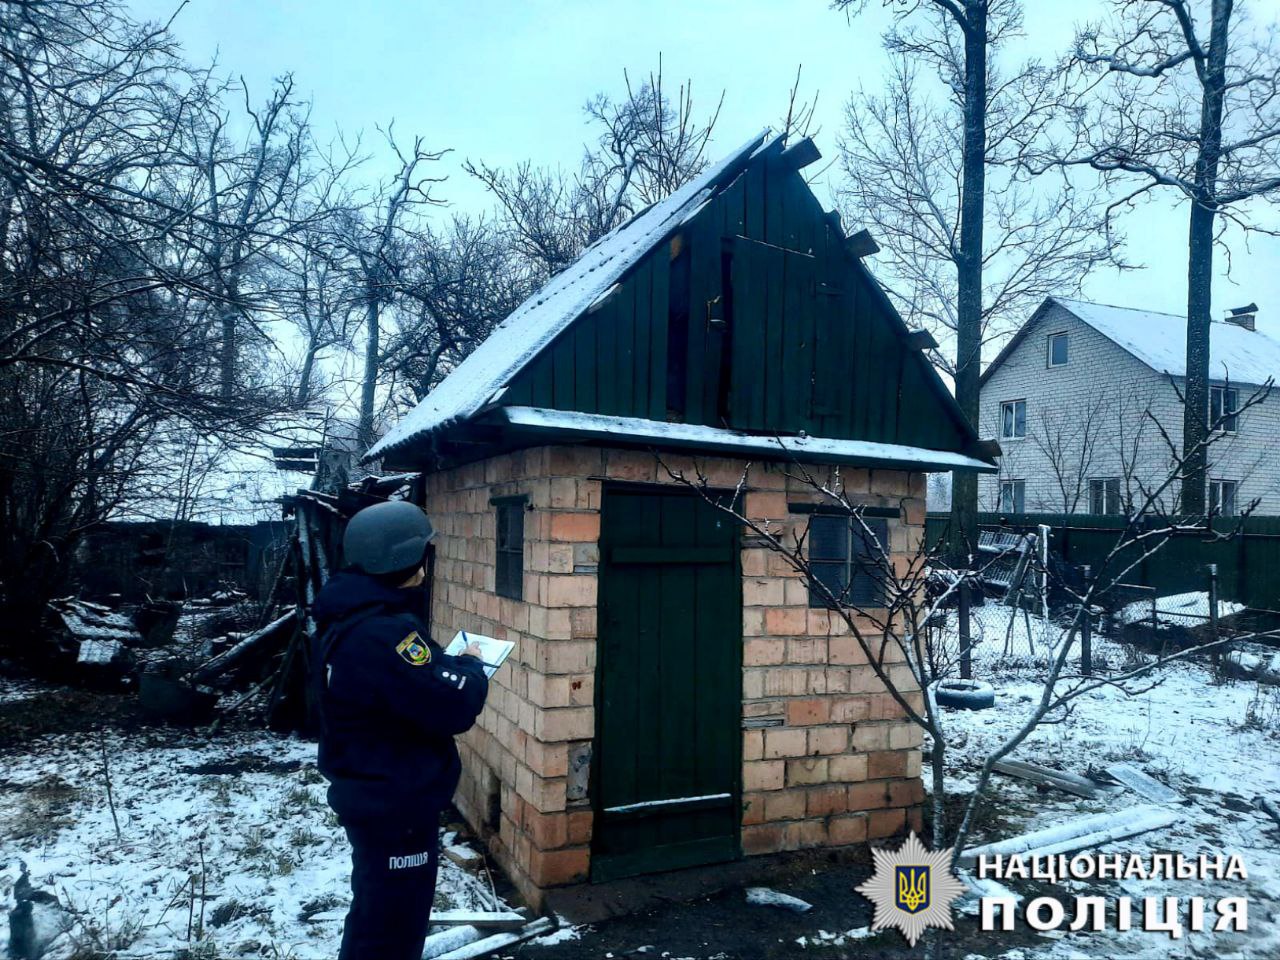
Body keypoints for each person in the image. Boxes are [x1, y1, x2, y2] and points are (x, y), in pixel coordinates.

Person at [311, 500, 489, 960]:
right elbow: (453, 704)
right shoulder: (382, 633)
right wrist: (472, 670)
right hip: (395, 803)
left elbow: (403, 682)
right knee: (391, 928)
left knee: (378, 914)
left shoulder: (351, 615)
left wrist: (439, 665)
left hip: (374, 793)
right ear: (403, 559)